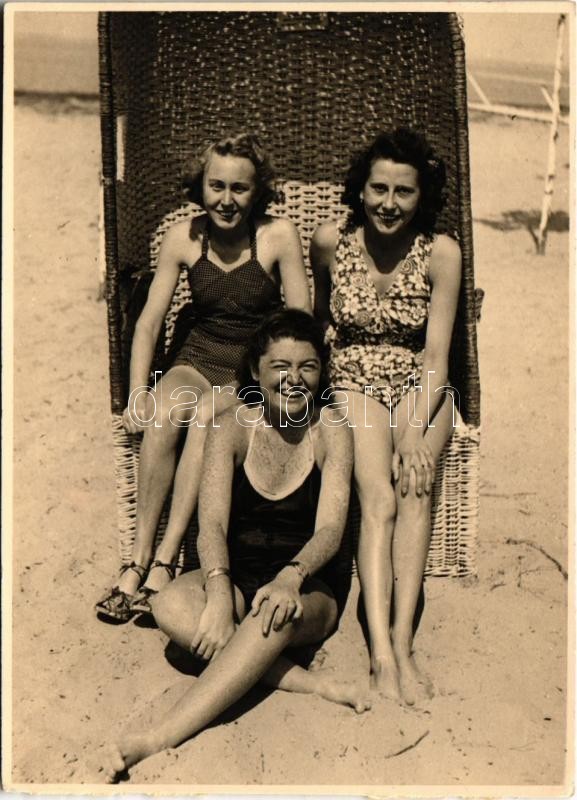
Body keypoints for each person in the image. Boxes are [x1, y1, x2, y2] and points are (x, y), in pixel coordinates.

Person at [94, 309, 370, 781]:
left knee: (272, 613)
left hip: (309, 586)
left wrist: (290, 578)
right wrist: (220, 592)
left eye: (307, 366)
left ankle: (159, 735)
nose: (294, 379)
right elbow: (213, 524)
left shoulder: (331, 430)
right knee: (169, 605)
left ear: (321, 373)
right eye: (280, 366)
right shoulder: (231, 428)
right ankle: (309, 683)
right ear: (256, 373)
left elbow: (330, 530)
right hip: (237, 574)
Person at [96, 134, 312, 622]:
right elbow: (149, 323)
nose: (226, 200)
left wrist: (275, 383)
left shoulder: (278, 236)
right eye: (217, 186)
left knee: (207, 418)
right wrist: (138, 393)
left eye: (240, 188)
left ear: (258, 191)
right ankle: (136, 559)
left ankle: (165, 561)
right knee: (165, 411)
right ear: (201, 185)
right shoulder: (184, 237)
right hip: (197, 356)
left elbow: (299, 323)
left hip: (251, 366)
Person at [310, 128, 462, 705]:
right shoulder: (330, 241)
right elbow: (320, 322)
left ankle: (402, 642)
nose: (389, 204)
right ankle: (378, 654)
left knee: (416, 484)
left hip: (421, 381)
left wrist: (417, 432)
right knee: (379, 498)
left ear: (422, 196)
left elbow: (438, 354)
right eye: (379, 189)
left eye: (404, 192)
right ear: (360, 188)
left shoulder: (441, 252)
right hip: (354, 378)